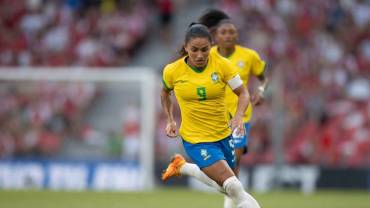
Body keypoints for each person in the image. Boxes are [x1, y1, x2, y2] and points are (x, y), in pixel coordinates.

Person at [161, 23, 260, 208]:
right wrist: (170, 120)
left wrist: (239, 116)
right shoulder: (172, 71)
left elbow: (244, 93)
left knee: (227, 187)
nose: (200, 55)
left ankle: (182, 167)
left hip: (223, 135)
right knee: (234, 185)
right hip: (195, 139)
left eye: (205, 49)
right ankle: (183, 166)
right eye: (194, 50)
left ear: (211, 45)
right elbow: (165, 93)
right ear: (185, 47)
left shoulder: (222, 65)